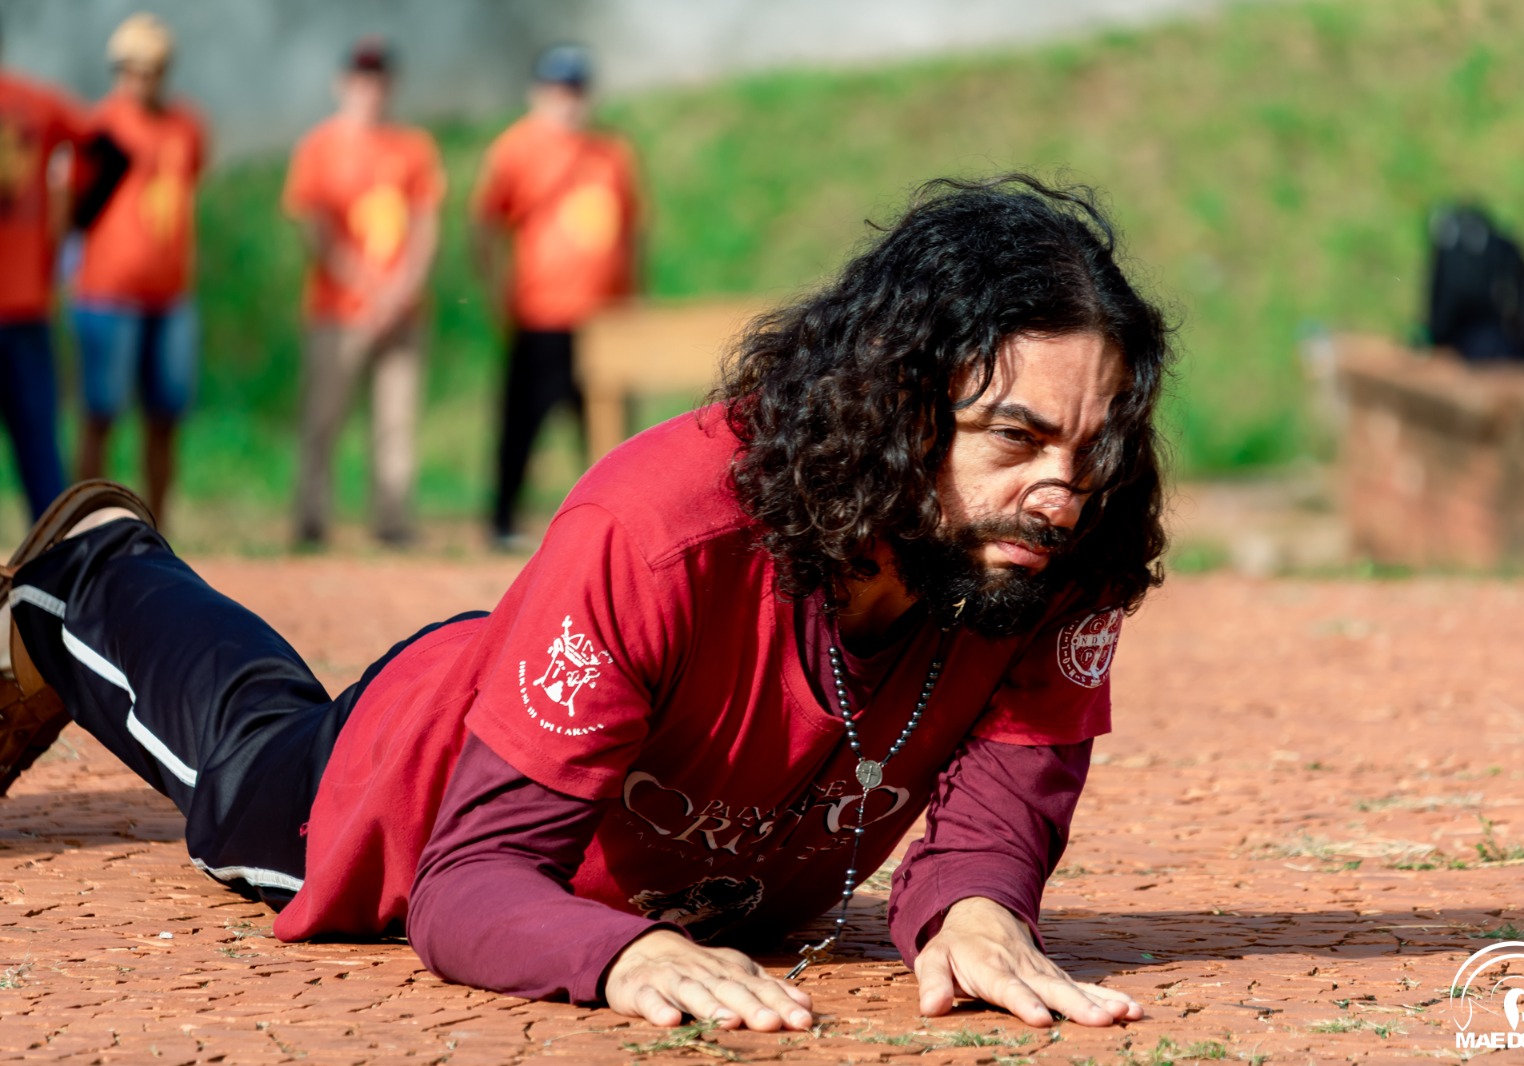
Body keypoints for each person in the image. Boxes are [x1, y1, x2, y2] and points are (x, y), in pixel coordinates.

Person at [0, 175, 1171, 1032]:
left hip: (570, 696)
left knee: (267, 707)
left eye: (1091, 445)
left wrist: (977, 907)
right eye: (1014, 434)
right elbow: (467, 881)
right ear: (899, 404)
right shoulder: (662, 529)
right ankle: (90, 574)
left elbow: (1004, 804)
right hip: (404, 783)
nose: (1061, 490)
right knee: (239, 749)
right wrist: (622, 953)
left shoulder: (1052, 545)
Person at [471, 44, 640, 548]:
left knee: (606, 431)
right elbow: (485, 224)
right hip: (541, 312)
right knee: (523, 421)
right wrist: (495, 289)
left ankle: (609, 528)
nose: (567, 100)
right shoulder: (515, 149)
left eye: (576, 89)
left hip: (603, 317)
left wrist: (632, 299)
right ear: (538, 93)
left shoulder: (611, 154)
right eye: (557, 89)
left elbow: (631, 232)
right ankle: (502, 519)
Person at [283, 37, 444, 548]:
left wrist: (401, 289)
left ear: (388, 85)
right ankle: (311, 517)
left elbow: (426, 221)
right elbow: (316, 230)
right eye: (360, 77)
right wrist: (367, 286)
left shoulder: (413, 147)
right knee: (323, 416)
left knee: (395, 422)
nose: (369, 88)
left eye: (377, 78)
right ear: (343, 84)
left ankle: (392, 519)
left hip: (402, 308)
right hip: (338, 308)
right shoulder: (319, 147)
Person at [70, 12, 206, 528]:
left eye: (151, 69)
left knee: (164, 416)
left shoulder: (186, 127)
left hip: (170, 295)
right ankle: (80, 530)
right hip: (107, 292)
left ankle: (156, 526)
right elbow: (77, 202)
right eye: (130, 69)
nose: (140, 80)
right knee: (100, 414)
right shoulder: (100, 126)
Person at [0, 16, 84, 525]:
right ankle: (55, 580)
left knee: (40, 447)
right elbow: (106, 150)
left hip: (27, 308)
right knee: (38, 448)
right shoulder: (38, 100)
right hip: (27, 304)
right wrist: (72, 225)